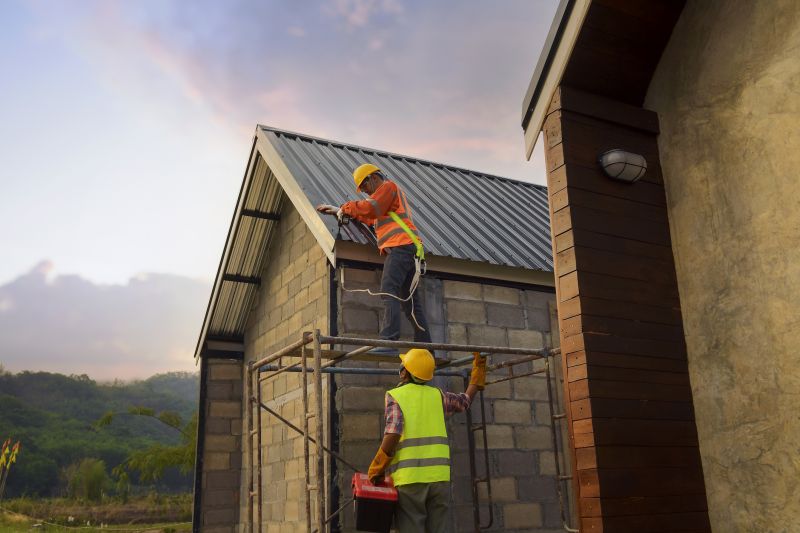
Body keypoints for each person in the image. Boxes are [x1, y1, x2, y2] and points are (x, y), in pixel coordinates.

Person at [366, 349, 487, 533]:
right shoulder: (438, 396)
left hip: (410, 482)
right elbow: (464, 401)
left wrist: (377, 466)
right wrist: (477, 374)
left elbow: (393, 433)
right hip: (439, 480)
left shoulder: (396, 395)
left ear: (405, 372)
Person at [316, 164, 431, 346]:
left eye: (364, 186)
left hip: (401, 247)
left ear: (374, 178)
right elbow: (368, 216)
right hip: (408, 249)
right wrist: (338, 209)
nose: (365, 192)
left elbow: (369, 208)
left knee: (388, 289)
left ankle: (388, 341)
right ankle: (426, 348)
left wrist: (345, 208)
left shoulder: (388, 187)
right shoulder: (383, 202)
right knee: (410, 305)